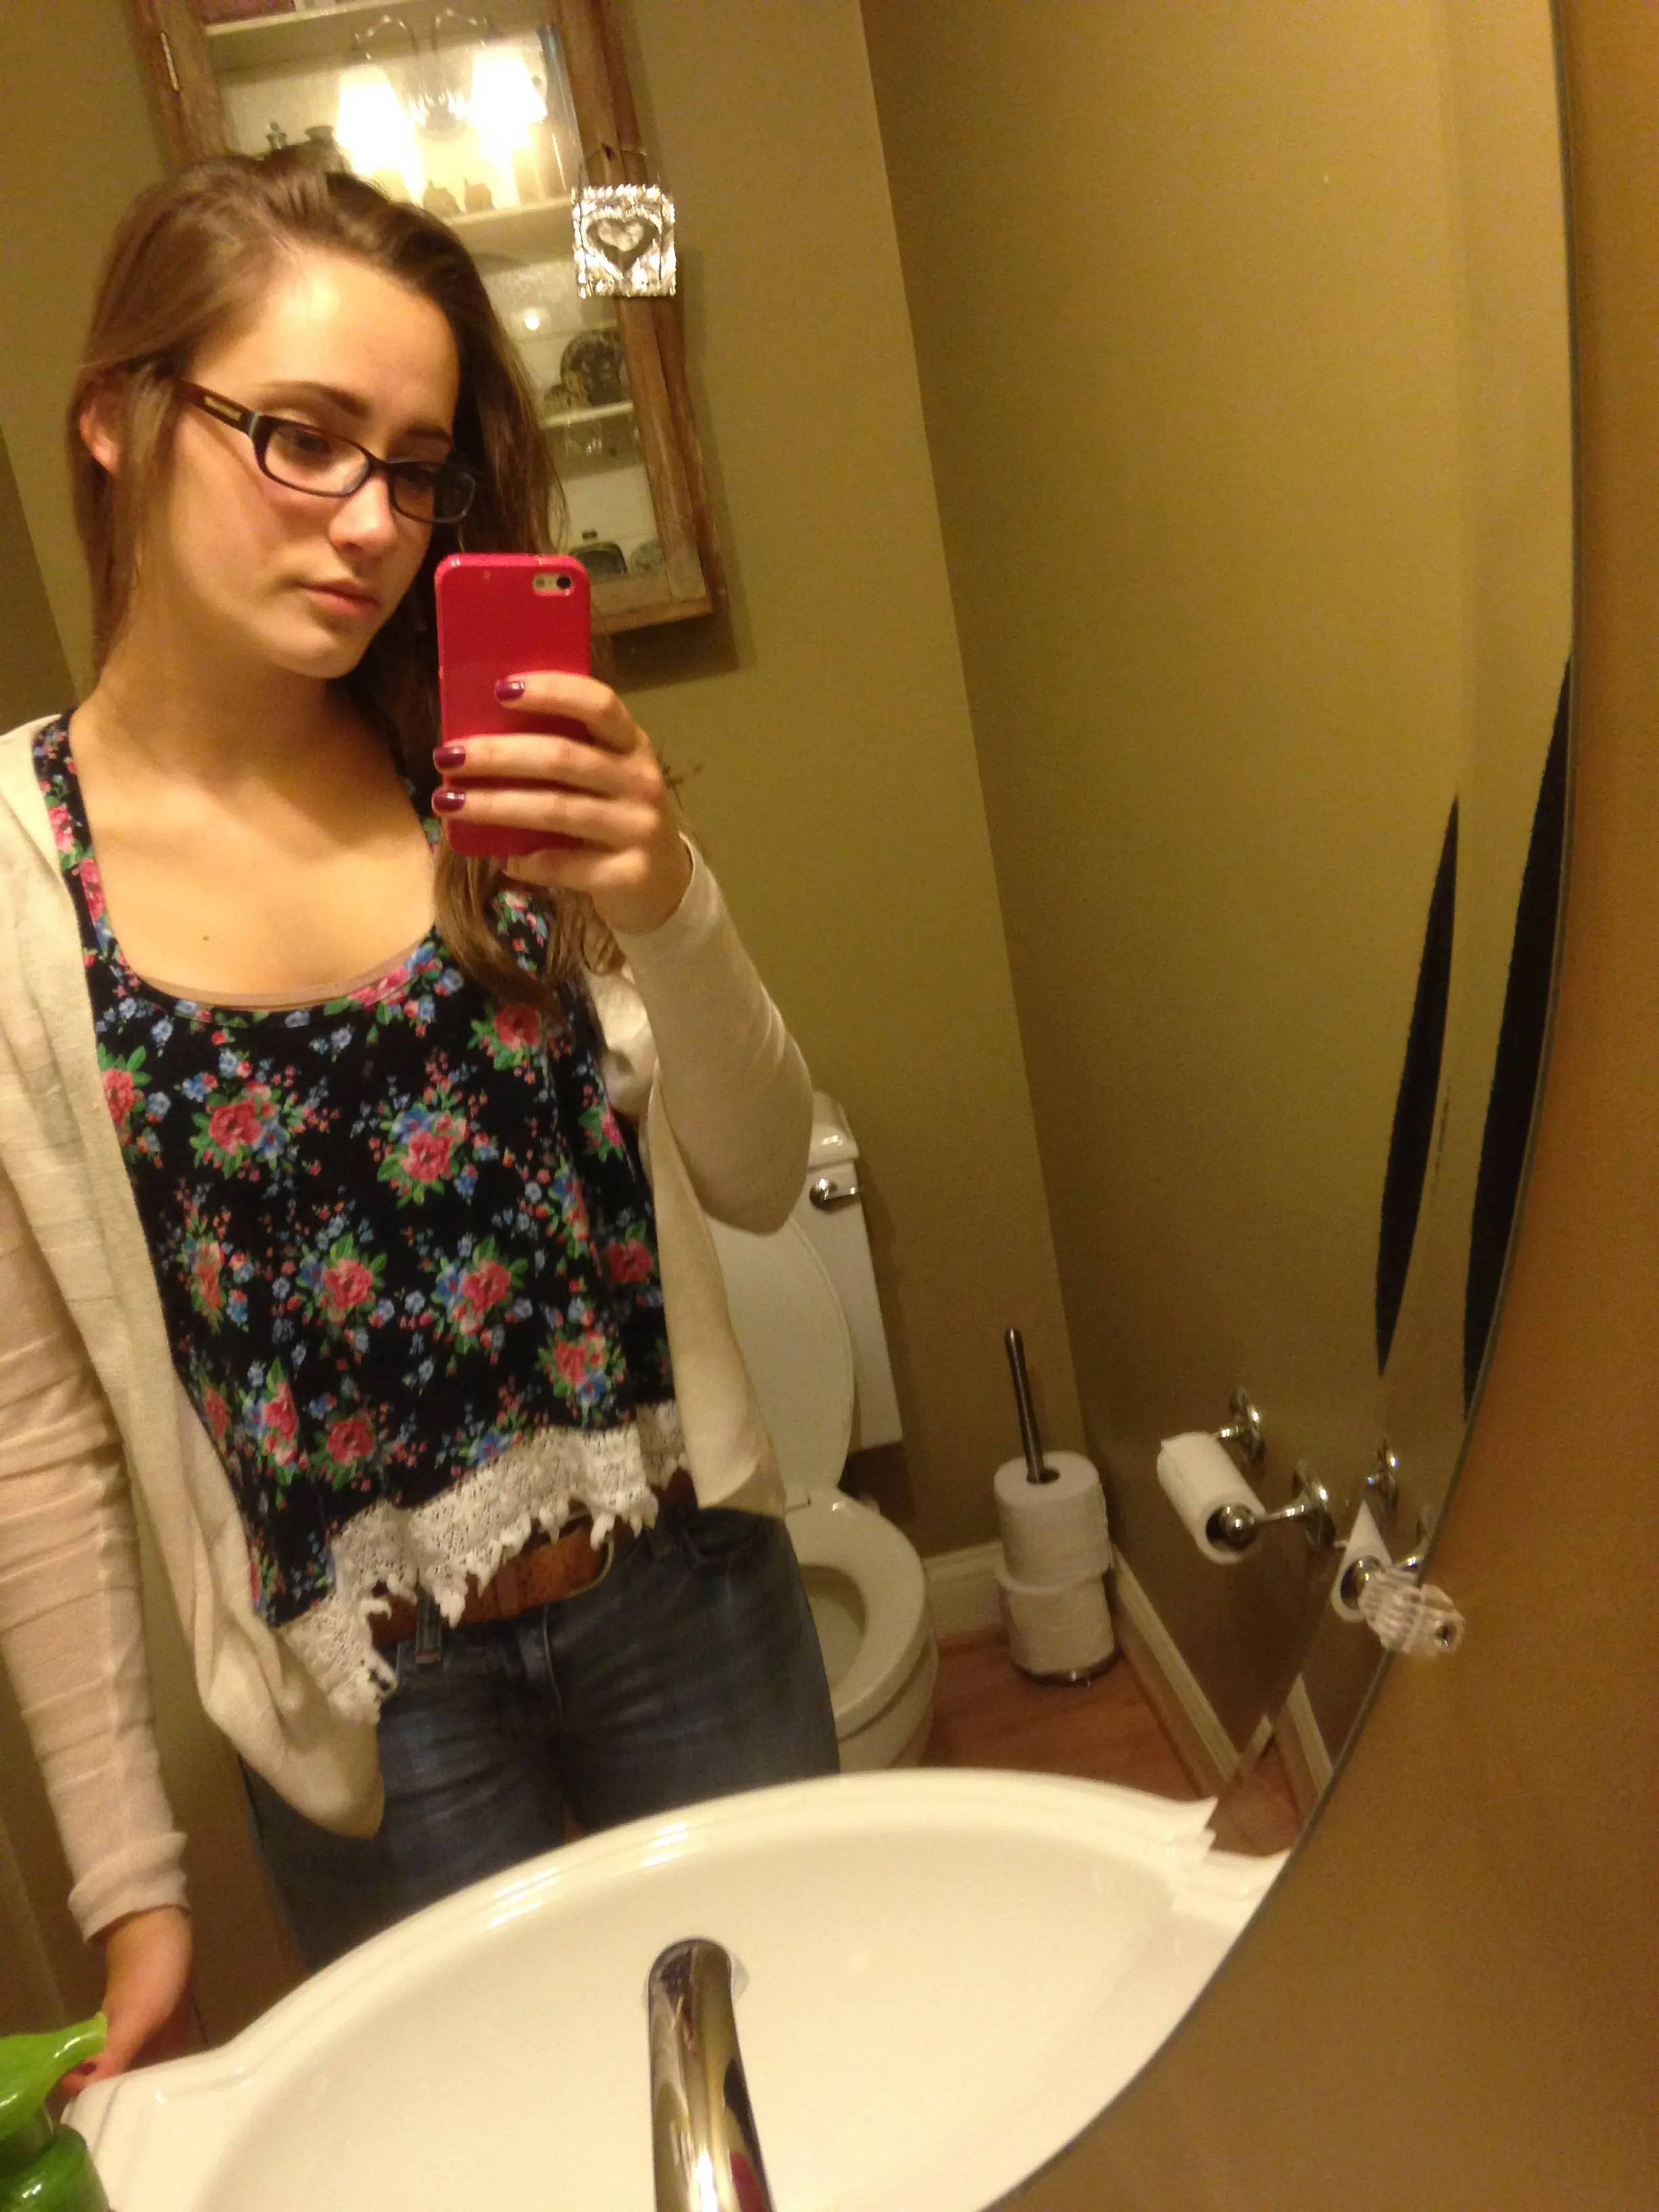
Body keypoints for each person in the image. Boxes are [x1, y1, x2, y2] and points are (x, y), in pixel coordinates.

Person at [0, 152, 837, 2087]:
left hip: (682, 1595)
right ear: (117, 419)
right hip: (377, 1712)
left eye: (418, 465)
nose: (372, 523)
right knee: (500, 2138)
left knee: (793, 2085)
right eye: (301, 439)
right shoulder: (21, 887)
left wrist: (666, 893)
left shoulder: (476, 763)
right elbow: (36, 1442)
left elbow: (760, 1171)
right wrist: (132, 1889)